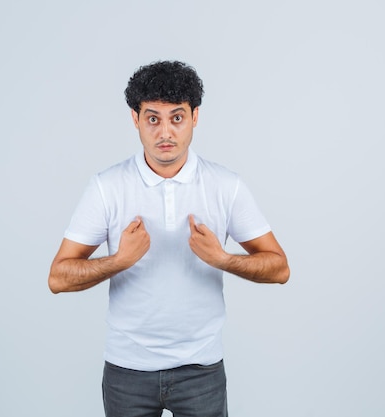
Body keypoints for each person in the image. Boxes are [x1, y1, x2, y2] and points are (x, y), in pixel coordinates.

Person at [48, 60, 290, 417]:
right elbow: (58, 278)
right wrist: (119, 261)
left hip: (201, 369)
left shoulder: (226, 186)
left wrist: (222, 258)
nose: (164, 132)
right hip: (126, 369)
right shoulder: (106, 187)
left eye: (176, 118)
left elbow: (280, 268)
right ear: (135, 119)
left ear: (195, 116)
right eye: (152, 118)